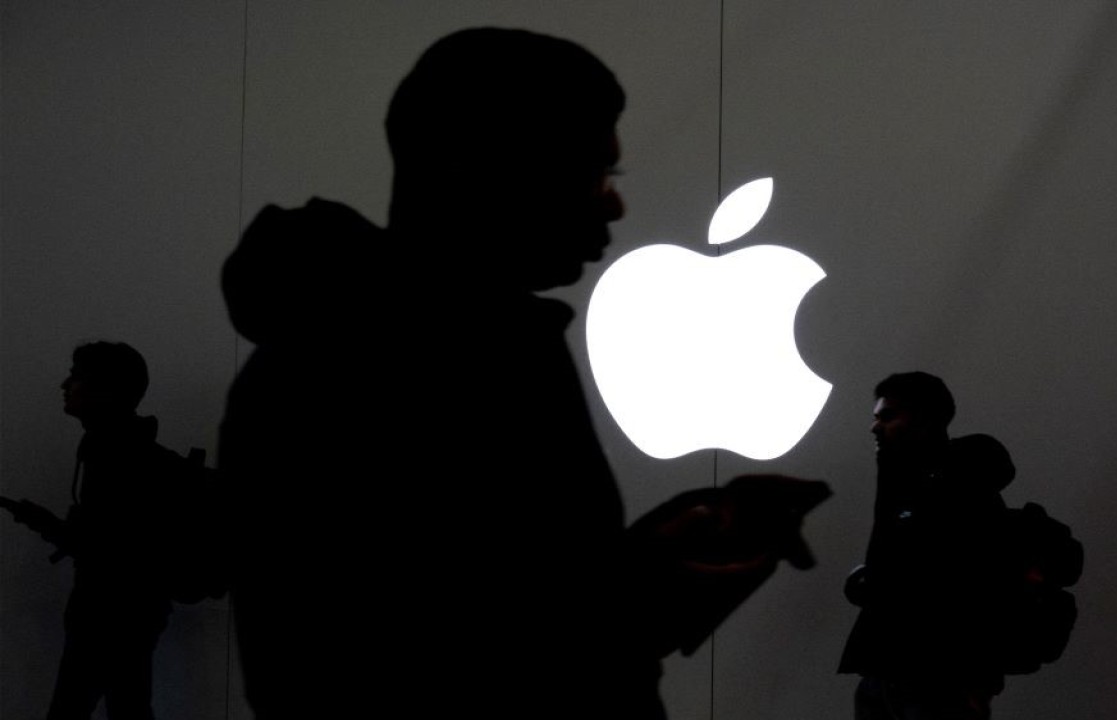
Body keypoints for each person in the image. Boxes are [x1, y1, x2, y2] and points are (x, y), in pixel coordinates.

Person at [219, 27, 824, 720]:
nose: (613, 203)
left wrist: (641, 569)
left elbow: (491, 605)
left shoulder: (414, 342)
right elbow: (413, 664)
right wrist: (636, 603)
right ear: (473, 167)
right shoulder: (392, 364)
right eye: (595, 173)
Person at [1, 342, 172, 720]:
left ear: (105, 389)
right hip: (130, 613)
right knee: (128, 706)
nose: (65, 384)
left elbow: (105, 549)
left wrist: (48, 525)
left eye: (76, 377)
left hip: (108, 615)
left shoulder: (113, 454)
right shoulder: (123, 448)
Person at [837, 372, 1014, 720]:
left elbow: (986, 585)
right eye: (876, 417)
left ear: (924, 420)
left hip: (938, 683)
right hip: (888, 674)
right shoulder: (902, 480)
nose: (875, 428)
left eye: (887, 417)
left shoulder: (965, 488)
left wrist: (976, 683)